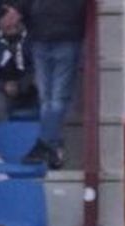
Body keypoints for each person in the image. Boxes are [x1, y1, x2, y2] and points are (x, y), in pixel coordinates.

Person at [19, 0, 84, 170]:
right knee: (46, 99)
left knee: (57, 99)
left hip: (65, 39)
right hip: (41, 39)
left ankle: (44, 144)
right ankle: (52, 147)